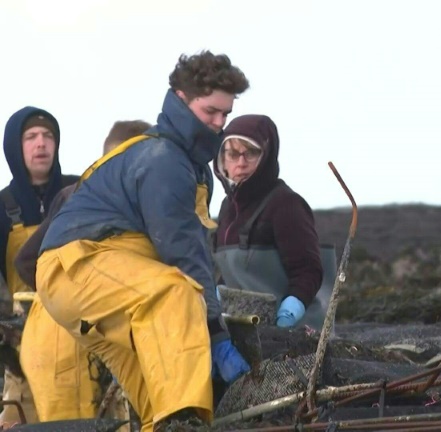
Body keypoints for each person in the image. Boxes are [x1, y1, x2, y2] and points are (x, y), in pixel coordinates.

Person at [36, 50, 252, 432]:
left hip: (105, 286)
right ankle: (183, 425)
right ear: (181, 99)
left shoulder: (190, 165)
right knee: (175, 293)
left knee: (156, 393)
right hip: (78, 265)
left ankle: (163, 421)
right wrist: (217, 333)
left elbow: (195, 248)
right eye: (210, 112)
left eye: (226, 114)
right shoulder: (162, 159)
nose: (219, 124)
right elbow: (182, 253)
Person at [13, 120, 152, 426]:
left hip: (70, 329)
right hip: (65, 340)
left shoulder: (88, 192)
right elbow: (25, 261)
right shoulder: (89, 197)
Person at [211, 115, 333, 332]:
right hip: (246, 329)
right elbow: (232, 272)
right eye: (232, 153)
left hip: (295, 334)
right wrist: (218, 292)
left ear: (266, 155)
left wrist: (290, 310)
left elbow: (309, 271)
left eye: (251, 153)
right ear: (222, 159)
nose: (240, 162)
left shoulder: (286, 204)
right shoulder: (226, 208)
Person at [0, 107, 80, 426]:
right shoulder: (3, 207)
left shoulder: (80, 191)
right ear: (14, 147)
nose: (41, 144)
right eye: (31, 137)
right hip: (23, 344)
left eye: (48, 136)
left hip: (78, 336)